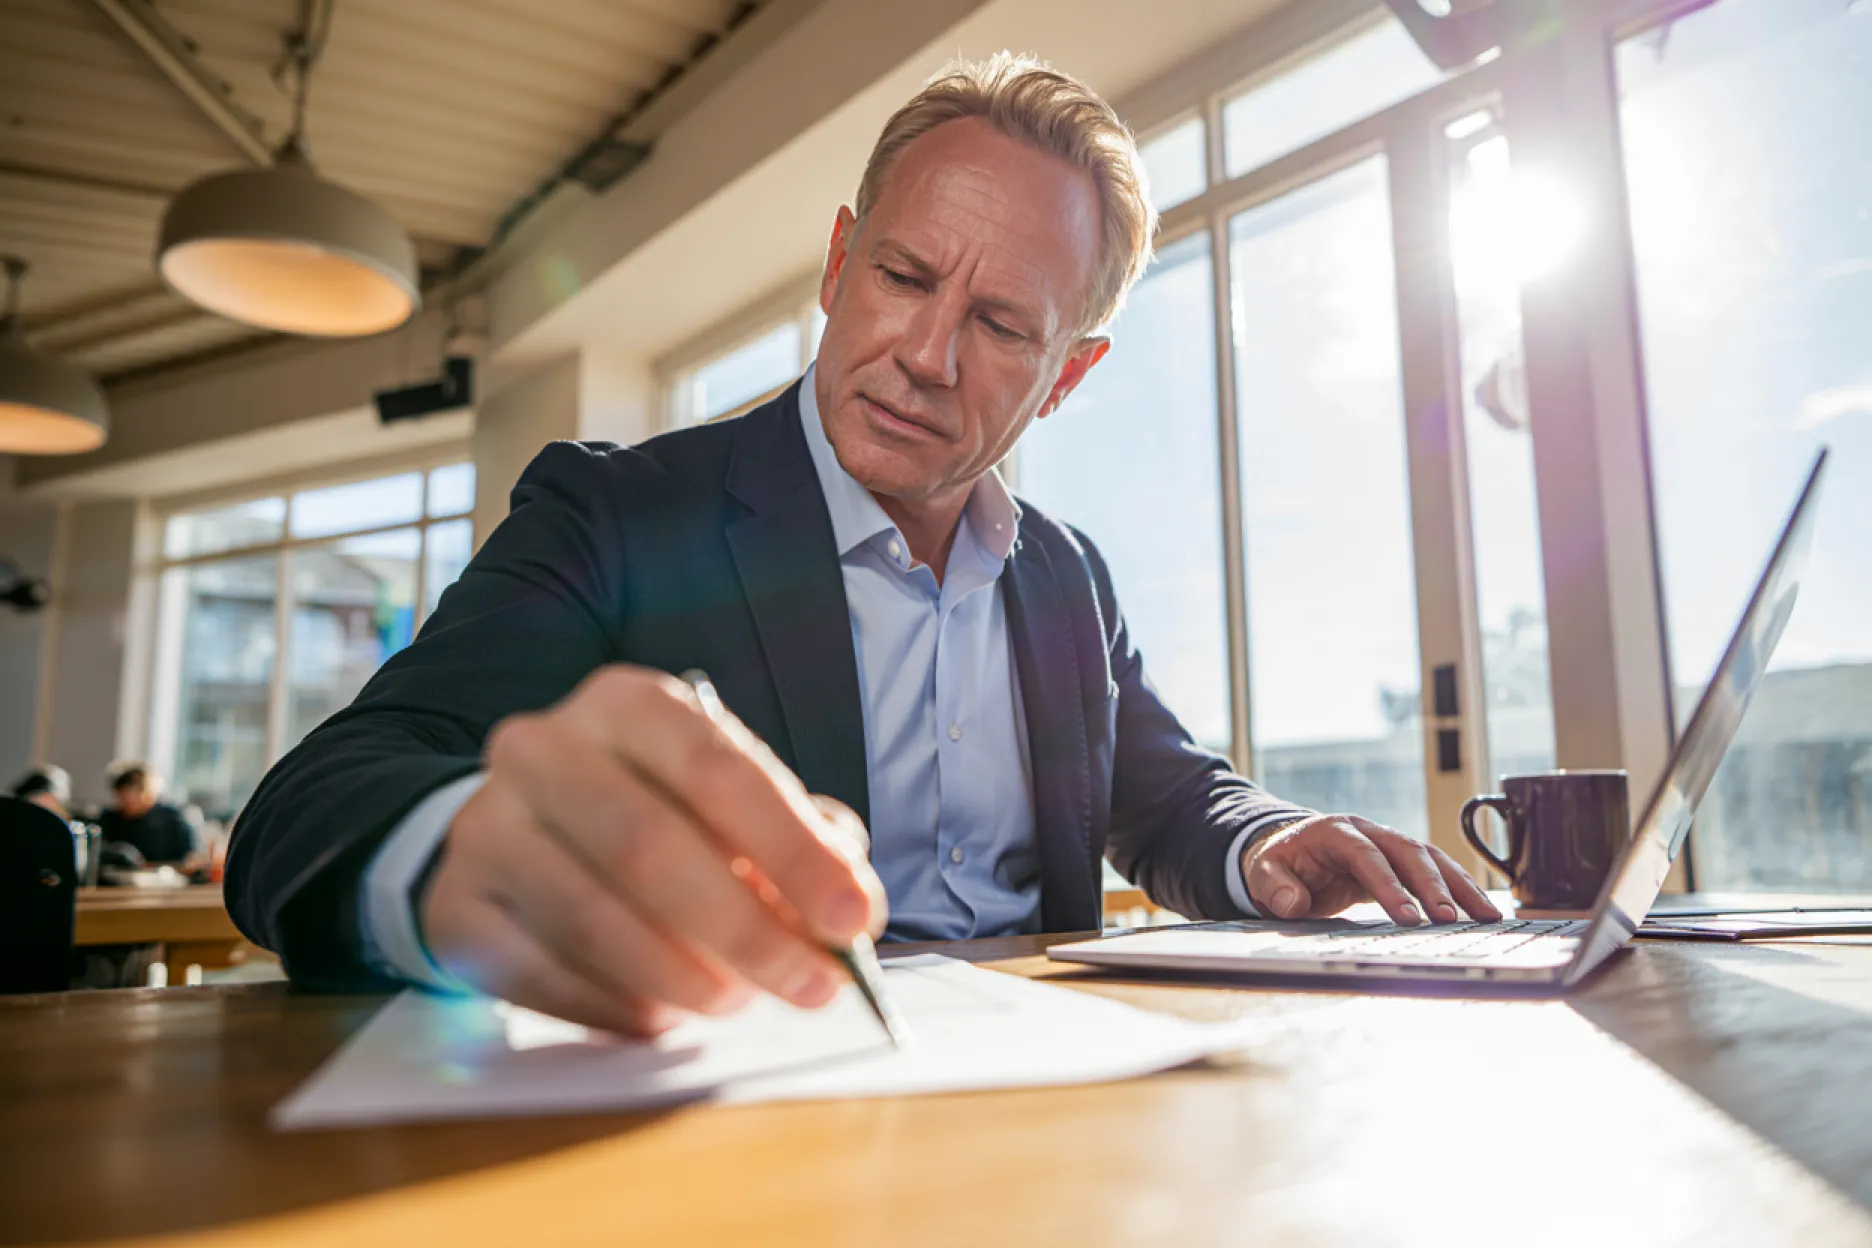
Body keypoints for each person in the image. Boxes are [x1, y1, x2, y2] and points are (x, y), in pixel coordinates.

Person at [226, 54, 1497, 1031]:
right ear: (839, 263)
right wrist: (463, 848)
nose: (928, 358)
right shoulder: (617, 512)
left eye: (1003, 323)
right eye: (902, 277)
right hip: (751, 1097)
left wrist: (1260, 843)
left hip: (1046, 1084)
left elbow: (1164, 796)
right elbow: (317, 800)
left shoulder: (1066, 577)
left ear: (1066, 376)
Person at [98, 763, 197, 866]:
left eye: (135, 792)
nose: (128, 799)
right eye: (122, 794)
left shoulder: (173, 820)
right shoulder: (109, 820)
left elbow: (188, 861)